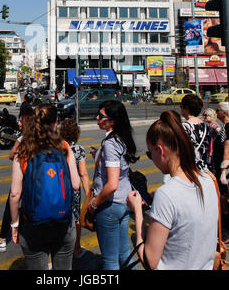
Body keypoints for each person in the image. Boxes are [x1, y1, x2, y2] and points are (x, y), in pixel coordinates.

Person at [127, 110, 219, 270]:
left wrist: (138, 213)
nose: (152, 159)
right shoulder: (208, 179)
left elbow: (150, 261)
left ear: (160, 151)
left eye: (150, 153)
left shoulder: (166, 195)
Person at [10, 103, 80, 270]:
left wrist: (14, 224)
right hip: (63, 223)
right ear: (55, 123)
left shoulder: (24, 148)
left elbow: (15, 194)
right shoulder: (63, 147)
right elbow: (76, 185)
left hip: (33, 224)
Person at [88, 100, 139, 270]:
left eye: (101, 116)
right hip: (123, 203)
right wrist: (99, 156)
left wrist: (94, 204)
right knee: (124, 252)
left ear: (113, 120)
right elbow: (123, 168)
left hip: (109, 205)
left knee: (110, 260)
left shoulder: (110, 144)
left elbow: (111, 185)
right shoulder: (122, 138)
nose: (97, 118)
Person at [0, 103, 34, 253]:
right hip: (36, 182)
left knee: (10, 205)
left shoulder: (23, 137)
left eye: (21, 120)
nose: (19, 122)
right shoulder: (42, 136)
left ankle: (2, 240)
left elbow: (10, 155)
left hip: (21, 178)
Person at [59, 118, 90, 258]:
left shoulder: (57, 148)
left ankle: (59, 249)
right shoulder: (78, 150)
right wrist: (89, 195)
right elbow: (83, 174)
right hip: (74, 191)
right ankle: (76, 249)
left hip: (59, 189)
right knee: (75, 219)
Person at [180, 94, 209, 170]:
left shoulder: (184, 127)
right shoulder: (206, 126)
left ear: (186, 108)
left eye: (181, 106)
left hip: (189, 169)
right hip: (203, 168)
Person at [202, 108, 222, 173]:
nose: (204, 116)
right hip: (211, 149)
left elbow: (219, 130)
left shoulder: (214, 125)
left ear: (211, 116)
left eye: (206, 115)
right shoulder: (210, 125)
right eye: (203, 115)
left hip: (213, 150)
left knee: (213, 169)